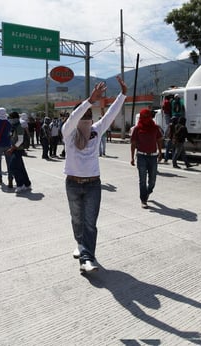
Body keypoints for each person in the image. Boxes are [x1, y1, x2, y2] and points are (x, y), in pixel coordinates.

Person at [61, 76, 127, 273]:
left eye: (90, 113)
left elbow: (112, 114)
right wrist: (88, 101)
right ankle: (80, 245)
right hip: (73, 183)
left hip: (93, 185)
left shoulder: (97, 131)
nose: (87, 117)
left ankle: (87, 258)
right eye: (83, 113)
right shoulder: (69, 133)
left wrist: (123, 95)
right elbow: (73, 120)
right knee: (77, 220)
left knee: (90, 223)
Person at [130, 108, 163, 209]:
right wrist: (132, 157)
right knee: (142, 180)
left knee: (152, 180)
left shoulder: (155, 128)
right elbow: (133, 143)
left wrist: (160, 152)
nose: (145, 119)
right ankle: (143, 200)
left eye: (147, 117)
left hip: (153, 156)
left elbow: (159, 140)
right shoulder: (137, 129)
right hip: (141, 156)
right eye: (143, 117)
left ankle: (148, 192)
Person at [6, 111, 32, 193]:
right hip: (15, 149)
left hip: (17, 150)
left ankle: (20, 185)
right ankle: (27, 184)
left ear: (15, 118)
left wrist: (12, 149)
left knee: (13, 167)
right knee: (21, 168)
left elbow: (20, 140)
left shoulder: (19, 127)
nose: (10, 120)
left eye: (11, 118)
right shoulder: (13, 126)